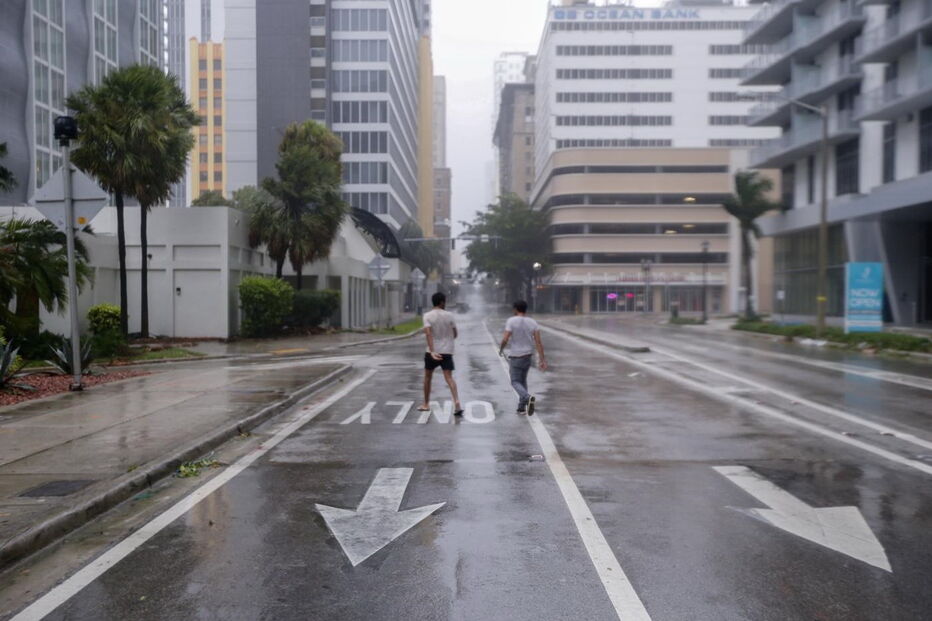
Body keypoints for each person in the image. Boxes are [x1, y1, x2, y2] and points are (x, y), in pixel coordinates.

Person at [498, 300, 547, 415]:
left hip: (516, 356)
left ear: (515, 309)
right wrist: (542, 359)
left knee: (515, 381)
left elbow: (505, 338)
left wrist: (501, 349)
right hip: (528, 356)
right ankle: (521, 408)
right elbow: (538, 342)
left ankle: (527, 397)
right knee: (523, 380)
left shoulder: (511, 321)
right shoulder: (533, 322)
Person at [419, 292, 463, 416]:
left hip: (432, 352)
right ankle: (457, 402)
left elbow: (428, 333)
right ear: (442, 302)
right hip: (447, 351)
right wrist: (447, 338)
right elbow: (455, 334)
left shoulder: (427, 316)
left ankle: (426, 404)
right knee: (449, 378)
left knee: (428, 377)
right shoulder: (450, 315)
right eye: (445, 301)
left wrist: (433, 351)